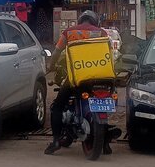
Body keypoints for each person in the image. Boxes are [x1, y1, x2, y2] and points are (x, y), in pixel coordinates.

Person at [44, 10, 119, 156]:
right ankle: (105, 140)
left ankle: (55, 141)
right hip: (102, 78)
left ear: (80, 20)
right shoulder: (102, 33)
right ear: (94, 21)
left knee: (57, 106)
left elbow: (57, 52)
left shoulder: (68, 33)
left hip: (77, 78)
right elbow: (109, 54)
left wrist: (50, 66)